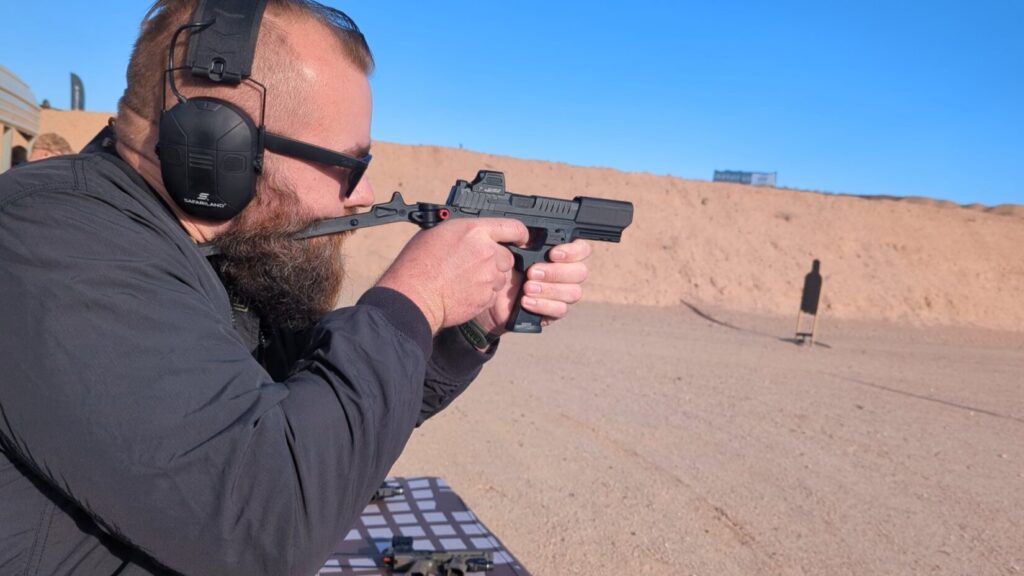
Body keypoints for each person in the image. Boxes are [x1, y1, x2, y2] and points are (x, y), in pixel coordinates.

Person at [0, 2, 591, 575]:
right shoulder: (49, 244)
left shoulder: (197, 250)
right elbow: (268, 522)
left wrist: (464, 327)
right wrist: (416, 298)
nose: (360, 195)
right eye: (350, 165)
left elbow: (319, 420)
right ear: (218, 147)